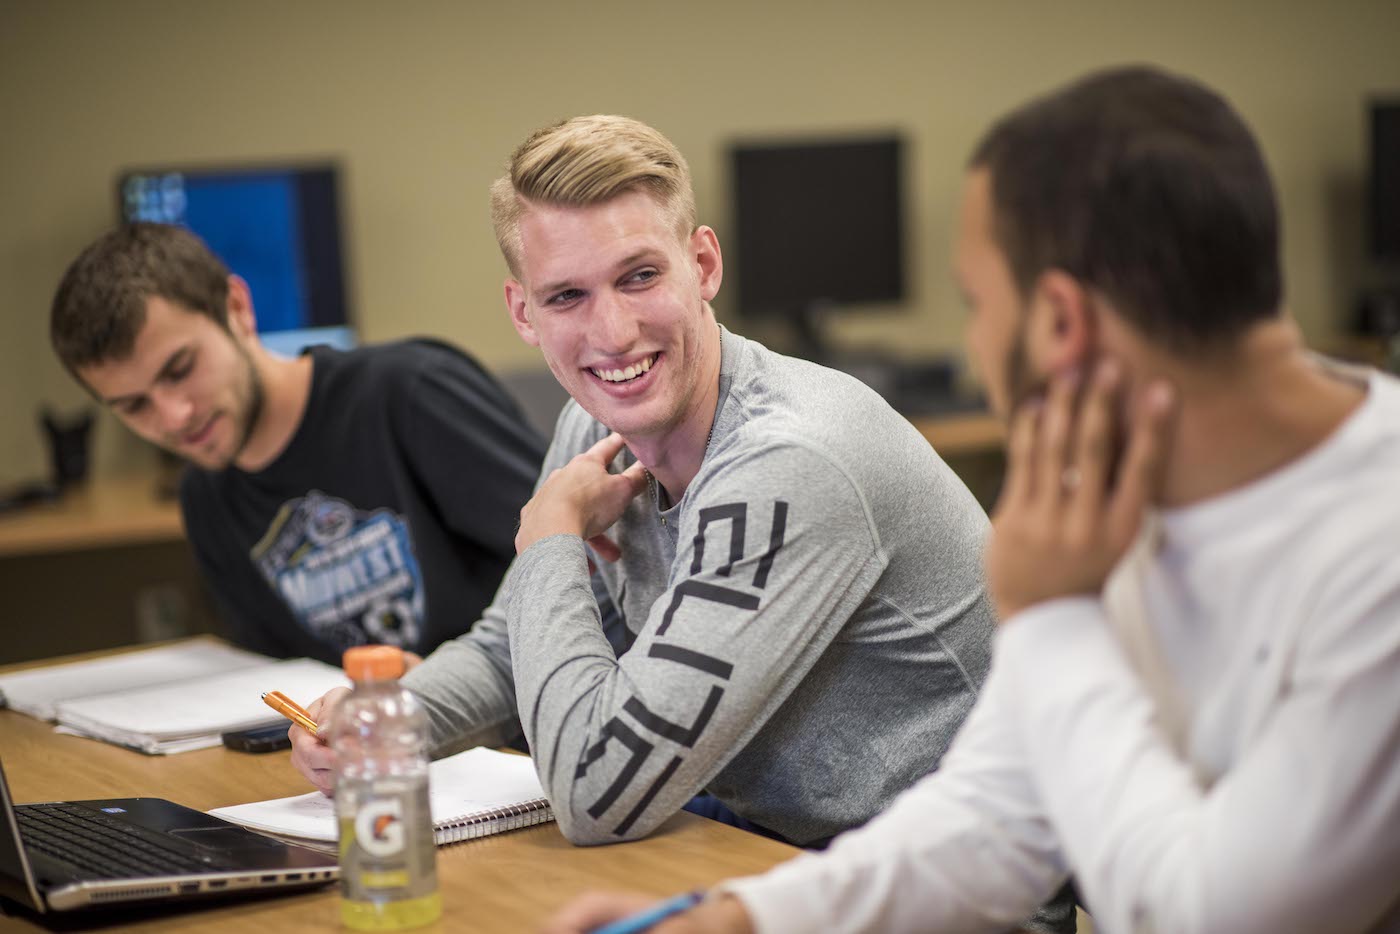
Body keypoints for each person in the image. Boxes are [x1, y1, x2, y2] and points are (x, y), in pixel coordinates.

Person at [545, 65, 1400, 934]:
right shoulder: (1138, 488)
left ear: (1060, 322)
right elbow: (993, 816)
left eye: (976, 303)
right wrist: (734, 919)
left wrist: (1053, 619)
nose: (976, 343)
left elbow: (1215, 915)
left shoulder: (1377, 550)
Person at [291, 114, 1073, 929]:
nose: (612, 333)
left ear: (702, 264)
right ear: (524, 313)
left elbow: (595, 791)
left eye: (638, 276)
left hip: (936, 903)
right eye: (567, 296)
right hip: (761, 859)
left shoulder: (789, 461)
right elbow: (511, 646)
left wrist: (551, 536)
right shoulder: (597, 422)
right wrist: (387, 723)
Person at [49, 223, 547, 665]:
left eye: (181, 369)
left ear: (237, 309)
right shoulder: (205, 498)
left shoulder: (410, 392)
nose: (174, 415)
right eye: (135, 406)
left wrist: (447, 691)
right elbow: (277, 677)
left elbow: (581, 562)